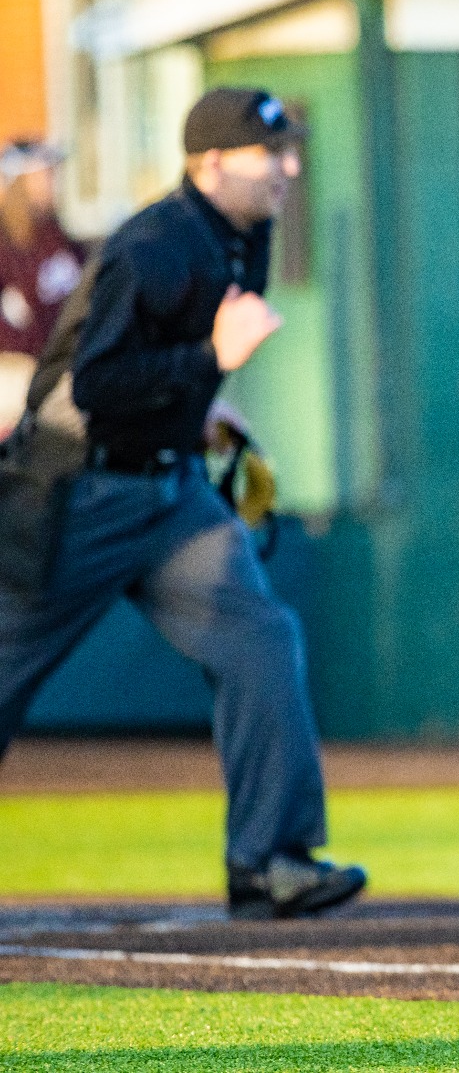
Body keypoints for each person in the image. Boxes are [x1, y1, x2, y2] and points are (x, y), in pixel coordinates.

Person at [0, 88, 364, 920]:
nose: (288, 167)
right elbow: (93, 385)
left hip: (167, 491)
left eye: (288, 149)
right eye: (270, 154)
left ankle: (271, 860)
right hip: (75, 489)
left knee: (261, 636)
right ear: (212, 164)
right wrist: (208, 360)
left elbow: (168, 369)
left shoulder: (244, 235)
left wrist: (200, 408)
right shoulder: (150, 244)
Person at [0, 141, 86, 436]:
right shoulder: (6, 245)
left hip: (64, 364)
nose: (52, 182)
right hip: (18, 369)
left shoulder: (59, 237)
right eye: (43, 174)